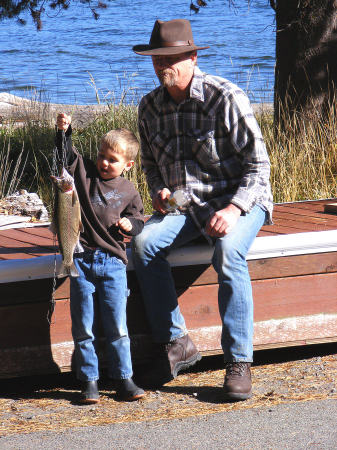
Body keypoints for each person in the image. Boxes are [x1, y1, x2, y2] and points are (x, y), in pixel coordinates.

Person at [131, 19, 273, 401]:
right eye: (157, 60)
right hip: (187, 207)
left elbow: (258, 168)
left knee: (227, 252)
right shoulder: (148, 107)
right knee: (142, 244)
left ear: (193, 57)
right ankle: (176, 342)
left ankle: (238, 362)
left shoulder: (224, 97)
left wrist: (233, 209)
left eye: (172, 59)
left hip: (242, 199)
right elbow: (149, 165)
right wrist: (158, 189)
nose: (164, 67)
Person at [55, 113, 145, 404]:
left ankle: (124, 379)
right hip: (81, 261)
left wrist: (132, 226)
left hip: (113, 264)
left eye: (113, 159)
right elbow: (66, 156)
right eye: (102, 156)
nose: (105, 163)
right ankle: (88, 380)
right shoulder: (84, 175)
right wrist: (64, 132)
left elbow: (138, 218)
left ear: (128, 165)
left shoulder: (129, 190)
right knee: (83, 327)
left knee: (118, 327)